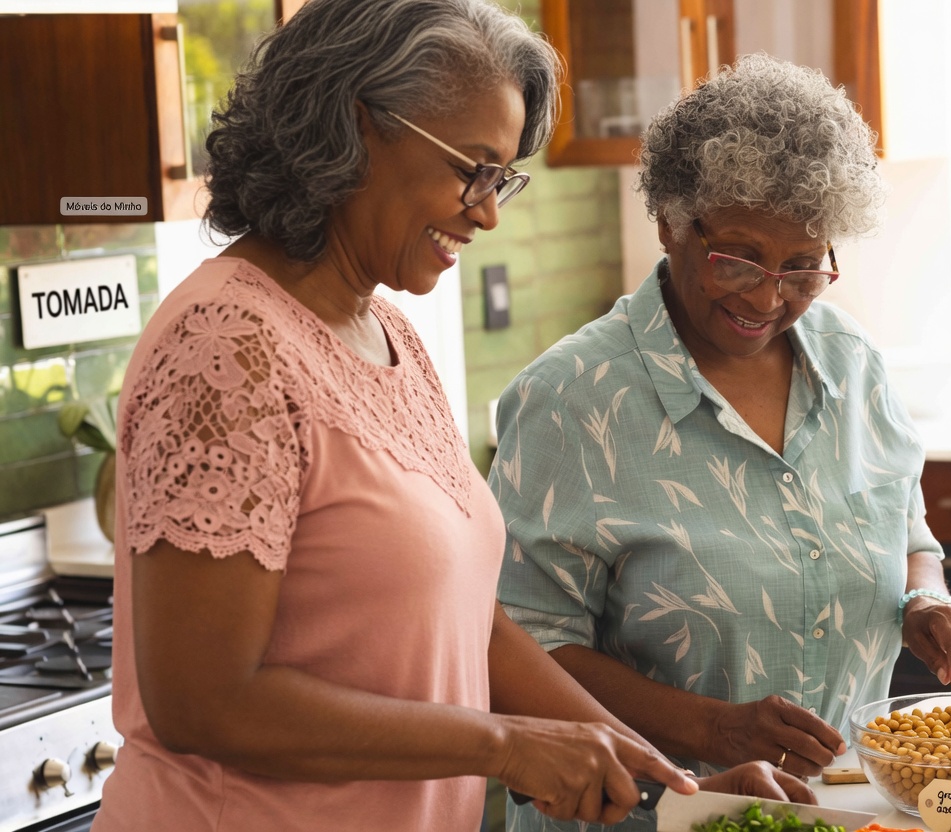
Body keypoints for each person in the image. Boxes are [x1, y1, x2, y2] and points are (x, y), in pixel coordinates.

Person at [92, 5, 813, 831]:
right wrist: (503, 746)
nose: (487, 211)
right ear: (357, 126)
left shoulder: (388, 333)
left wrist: (672, 782)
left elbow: (469, 623)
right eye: (472, 169)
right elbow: (204, 702)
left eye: (501, 178)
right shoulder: (225, 348)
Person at [490, 54, 951, 832]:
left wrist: (925, 597)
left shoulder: (851, 362)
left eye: (803, 268)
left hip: (842, 811)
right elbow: (518, 647)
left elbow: (905, 525)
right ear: (670, 220)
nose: (769, 297)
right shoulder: (572, 399)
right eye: (738, 259)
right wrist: (711, 728)